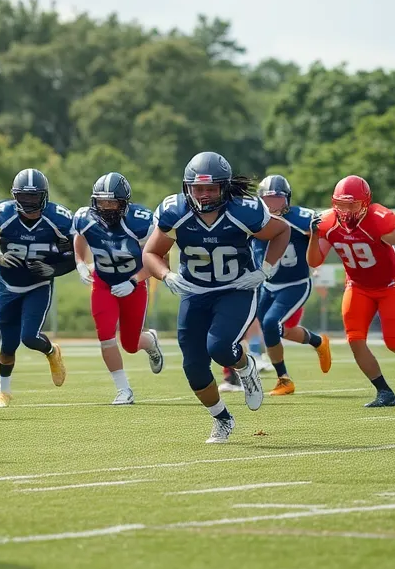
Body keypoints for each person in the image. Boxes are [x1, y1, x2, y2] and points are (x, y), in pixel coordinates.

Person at [143, 152, 290, 443]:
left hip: (236, 288)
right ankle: (222, 419)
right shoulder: (175, 211)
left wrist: (265, 270)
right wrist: (166, 275)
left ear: (224, 187)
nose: (204, 194)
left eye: (211, 188)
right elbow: (151, 252)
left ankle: (245, 367)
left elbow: (281, 230)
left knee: (220, 347)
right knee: (193, 366)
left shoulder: (244, 210)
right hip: (194, 291)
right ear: (187, 188)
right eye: (198, 188)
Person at [307, 175, 395, 407]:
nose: (346, 210)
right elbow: (315, 261)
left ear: (365, 203)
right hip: (357, 286)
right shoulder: (328, 223)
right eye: (341, 204)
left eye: (353, 204)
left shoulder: (378, 221)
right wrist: (314, 236)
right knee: (355, 340)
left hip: (390, 285)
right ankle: (384, 392)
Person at [0, 169, 75, 407]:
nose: (29, 203)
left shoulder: (58, 220)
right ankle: (4, 392)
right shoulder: (3, 215)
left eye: (34, 197)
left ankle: (52, 352)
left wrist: (54, 270)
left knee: (29, 337)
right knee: (8, 344)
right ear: (14, 196)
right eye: (24, 197)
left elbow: (75, 255)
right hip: (8, 285)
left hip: (37, 285)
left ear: (44, 196)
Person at [72, 172, 165, 405]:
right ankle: (123, 389)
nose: (107, 207)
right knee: (105, 335)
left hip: (133, 283)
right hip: (103, 282)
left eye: (112, 202)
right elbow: (79, 237)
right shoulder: (85, 218)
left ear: (124, 203)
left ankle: (150, 342)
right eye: (102, 202)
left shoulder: (141, 221)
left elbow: (159, 260)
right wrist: (80, 262)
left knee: (130, 345)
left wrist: (134, 280)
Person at [252, 174, 332, 395]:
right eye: (267, 199)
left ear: (287, 199)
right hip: (267, 284)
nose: (272, 204)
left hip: (295, 283)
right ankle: (318, 342)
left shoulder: (300, 217)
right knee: (281, 330)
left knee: (270, 324)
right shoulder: (255, 218)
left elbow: (324, 228)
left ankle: (284, 380)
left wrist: (315, 236)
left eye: (277, 199)